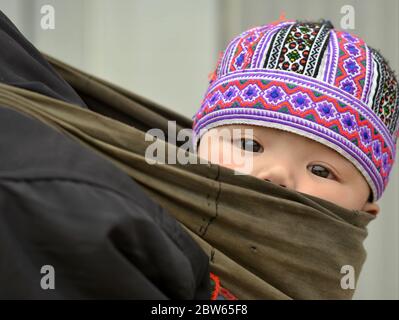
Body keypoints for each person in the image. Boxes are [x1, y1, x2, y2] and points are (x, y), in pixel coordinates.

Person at [192, 19, 399, 216]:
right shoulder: (161, 232)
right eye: (249, 145)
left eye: (320, 171)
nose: (277, 174)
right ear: (197, 147)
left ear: (363, 213)